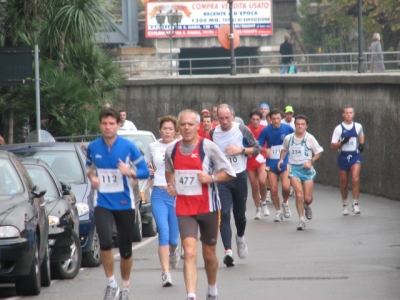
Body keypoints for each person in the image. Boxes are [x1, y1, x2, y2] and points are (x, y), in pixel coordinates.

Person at [165, 109, 235, 300]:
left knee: (209, 255)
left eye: (190, 124)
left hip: (208, 208)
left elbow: (229, 172)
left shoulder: (208, 147)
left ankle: (212, 288)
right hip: (185, 209)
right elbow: (169, 171)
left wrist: (211, 177)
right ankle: (191, 295)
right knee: (189, 252)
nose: (186, 128)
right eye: (183, 124)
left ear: (198, 126)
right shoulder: (171, 149)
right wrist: (171, 186)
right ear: (179, 125)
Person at [86, 108, 150, 300]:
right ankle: (111, 284)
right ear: (100, 125)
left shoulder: (128, 146)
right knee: (105, 243)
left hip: (124, 203)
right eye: (104, 124)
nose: (108, 127)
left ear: (118, 125)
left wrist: (130, 172)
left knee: (125, 249)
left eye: (112, 123)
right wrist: (92, 178)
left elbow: (145, 171)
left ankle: (125, 286)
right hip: (103, 202)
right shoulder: (93, 147)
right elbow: (89, 168)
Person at [210, 104, 260, 267]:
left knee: (240, 215)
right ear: (216, 117)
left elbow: (257, 149)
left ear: (232, 116)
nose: (224, 121)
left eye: (227, 118)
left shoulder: (242, 129)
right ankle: (228, 252)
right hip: (222, 178)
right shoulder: (213, 133)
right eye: (221, 118)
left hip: (238, 175)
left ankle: (240, 237)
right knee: (224, 213)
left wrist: (240, 150)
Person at [144, 115, 180, 287]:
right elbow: (144, 165)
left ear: (175, 131)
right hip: (158, 193)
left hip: (175, 195)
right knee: (163, 232)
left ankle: (173, 251)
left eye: (170, 129)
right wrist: (148, 171)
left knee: (173, 239)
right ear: (160, 130)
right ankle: (165, 273)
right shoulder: (153, 146)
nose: (167, 132)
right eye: (165, 128)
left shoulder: (180, 146)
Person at [278, 115, 323, 230]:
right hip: (294, 169)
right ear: (295, 125)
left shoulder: (310, 138)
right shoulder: (289, 138)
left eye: (302, 124)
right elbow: (284, 149)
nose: (300, 126)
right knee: (299, 195)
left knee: (307, 198)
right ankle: (301, 220)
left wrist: (311, 161)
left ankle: (307, 206)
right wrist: (282, 159)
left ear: (306, 126)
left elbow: (319, 152)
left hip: (307, 170)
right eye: (298, 124)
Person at [258, 108, 294, 222]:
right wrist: (265, 150)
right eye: (274, 119)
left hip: (285, 160)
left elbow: (295, 140)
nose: (276, 121)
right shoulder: (265, 131)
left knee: (286, 187)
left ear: (281, 118)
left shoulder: (288, 128)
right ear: (270, 119)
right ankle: (278, 212)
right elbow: (258, 145)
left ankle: (285, 203)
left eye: (278, 118)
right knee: (273, 189)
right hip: (271, 162)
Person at [330, 105, 365, 215]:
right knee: (344, 183)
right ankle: (345, 204)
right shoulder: (339, 128)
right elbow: (332, 145)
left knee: (355, 179)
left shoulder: (358, 126)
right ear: (343, 114)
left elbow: (361, 136)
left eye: (351, 113)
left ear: (353, 114)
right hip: (343, 157)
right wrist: (342, 142)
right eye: (347, 113)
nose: (349, 115)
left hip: (355, 156)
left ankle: (355, 203)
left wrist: (361, 144)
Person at [246, 109, 269, 219]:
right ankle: (258, 209)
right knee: (254, 186)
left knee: (262, 181)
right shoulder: (246, 130)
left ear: (260, 120)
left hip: (261, 158)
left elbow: (268, 143)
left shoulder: (265, 129)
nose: (255, 121)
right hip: (250, 160)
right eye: (253, 119)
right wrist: (247, 151)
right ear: (251, 120)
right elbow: (242, 142)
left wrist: (266, 152)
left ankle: (263, 202)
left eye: (257, 119)